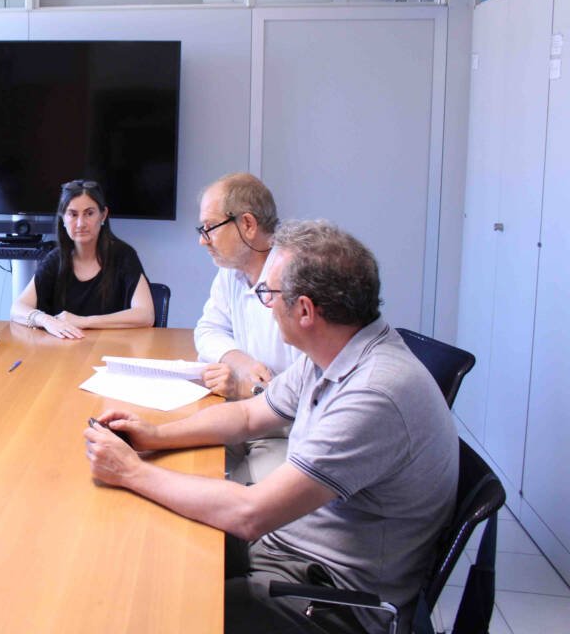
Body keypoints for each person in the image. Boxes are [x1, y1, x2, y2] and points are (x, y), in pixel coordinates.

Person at [85, 221, 457, 634]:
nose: (264, 304)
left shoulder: (375, 393)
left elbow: (251, 514)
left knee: (159, 611)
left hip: (334, 601)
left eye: (268, 293)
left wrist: (132, 471)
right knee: (145, 554)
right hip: (290, 550)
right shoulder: (332, 354)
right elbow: (247, 416)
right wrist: (154, 435)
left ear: (305, 310)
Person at [193, 173, 301, 483]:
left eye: (209, 228)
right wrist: (240, 362)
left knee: (214, 497)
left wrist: (250, 389)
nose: (202, 240)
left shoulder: (295, 281)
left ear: (248, 225)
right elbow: (207, 329)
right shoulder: (232, 270)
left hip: (289, 434)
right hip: (249, 418)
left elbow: (309, 398)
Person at [10, 179, 154, 339]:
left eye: (89, 213)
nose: (80, 223)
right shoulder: (55, 259)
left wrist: (84, 321)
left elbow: (146, 315)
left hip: (112, 350)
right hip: (63, 354)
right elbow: (17, 309)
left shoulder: (123, 256)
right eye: (72, 214)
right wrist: (45, 320)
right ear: (63, 219)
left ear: (103, 215)